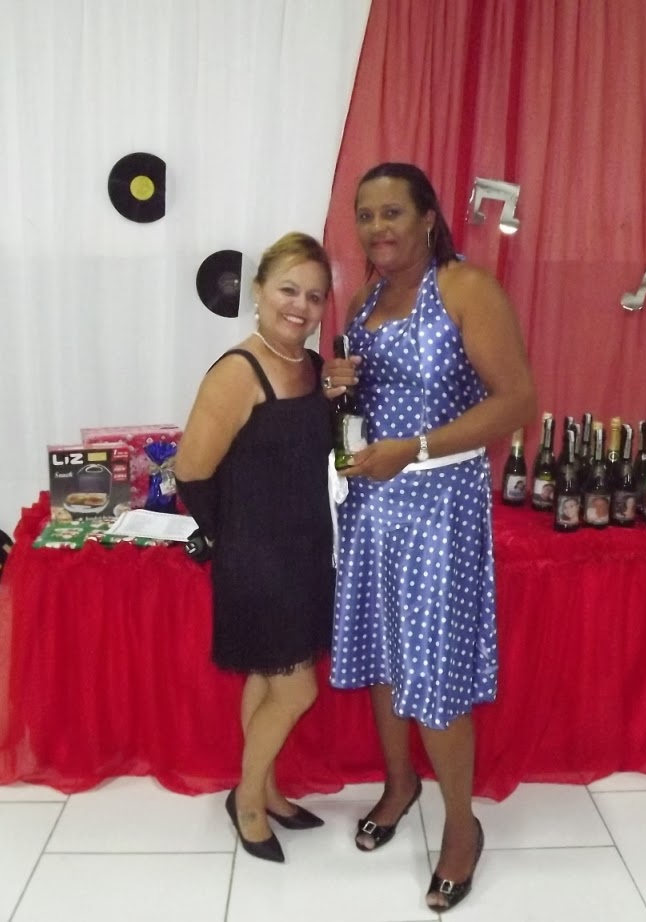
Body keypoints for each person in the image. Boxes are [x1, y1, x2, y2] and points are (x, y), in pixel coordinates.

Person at [321, 163, 536, 911]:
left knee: (435, 669)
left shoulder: (465, 289)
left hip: (439, 507)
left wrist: (412, 450)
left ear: (427, 218)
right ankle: (399, 784)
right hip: (370, 504)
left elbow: (517, 401)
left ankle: (461, 826)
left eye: (392, 213)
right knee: (383, 652)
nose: (377, 228)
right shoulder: (364, 300)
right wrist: (338, 388)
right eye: (365, 215)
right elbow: (362, 406)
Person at [175, 232, 335, 864]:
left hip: (306, 555)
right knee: (297, 691)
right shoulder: (237, 372)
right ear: (260, 292)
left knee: (269, 681)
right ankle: (246, 802)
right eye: (289, 289)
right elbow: (191, 472)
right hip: (257, 562)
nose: (301, 306)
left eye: (315, 296)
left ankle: (265, 788)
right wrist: (232, 541)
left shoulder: (312, 366)